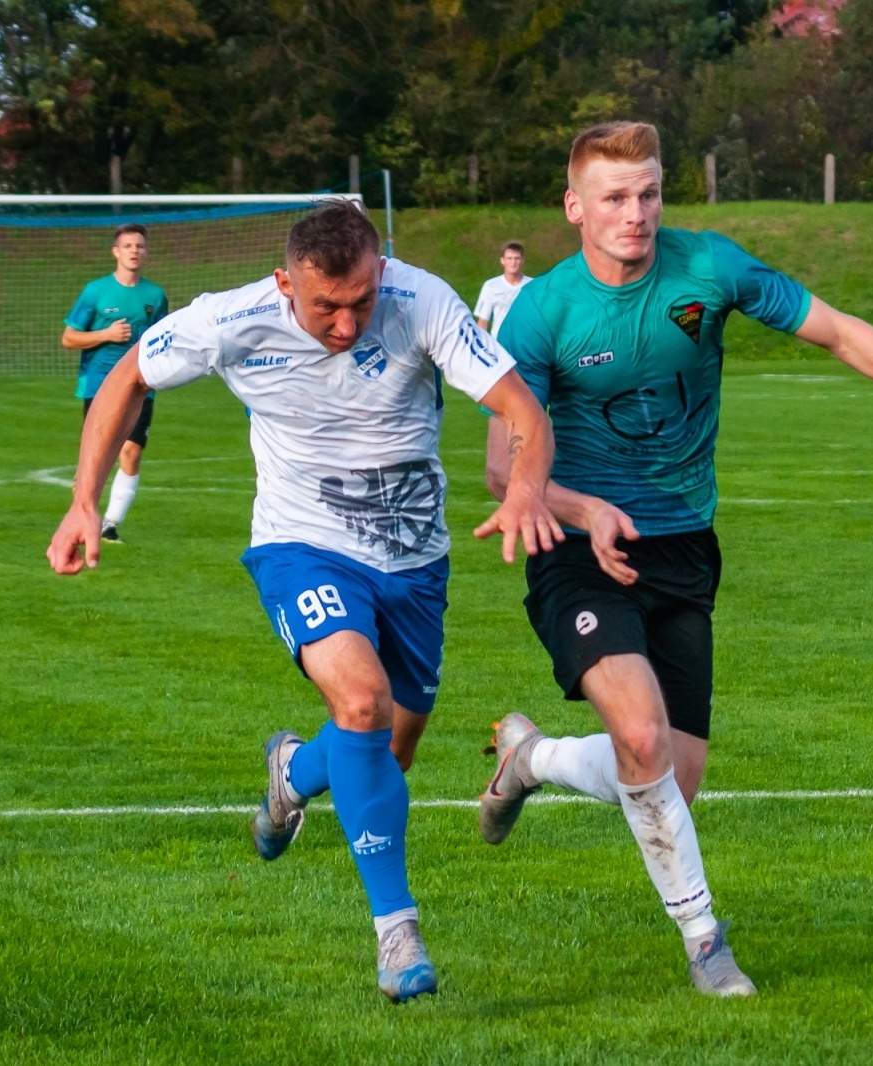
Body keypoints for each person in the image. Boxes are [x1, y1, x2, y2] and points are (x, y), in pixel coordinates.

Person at [476, 121, 873, 997]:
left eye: (649, 193)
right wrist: (580, 507)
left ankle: (530, 760)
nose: (636, 214)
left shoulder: (709, 269)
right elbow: (506, 471)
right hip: (578, 551)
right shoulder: (543, 312)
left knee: (667, 785)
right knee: (641, 733)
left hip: (685, 546)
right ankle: (704, 941)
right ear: (575, 206)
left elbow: (837, 331)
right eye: (614, 197)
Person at [46, 201, 560, 1004]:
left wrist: (527, 486)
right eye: (327, 306)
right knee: (362, 701)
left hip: (416, 558)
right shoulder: (230, 320)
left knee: (391, 747)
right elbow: (127, 376)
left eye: (361, 300)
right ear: (287, 283)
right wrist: (85, 501)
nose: (349, 323)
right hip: (301, 542)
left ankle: (294, 769)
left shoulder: (423, 301)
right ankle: (397, 932)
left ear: (380, 271)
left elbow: (522, 410)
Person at [62, 223, 169, 542]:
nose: (134, 251)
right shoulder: (95, 291)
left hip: (140, 386)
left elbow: (163, 339)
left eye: (140, 246)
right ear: (116, 252)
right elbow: (69, 338)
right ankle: (80, 515)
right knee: (95, 457)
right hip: (99, 387)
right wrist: (106, 335)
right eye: (128, 246)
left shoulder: (155, 295)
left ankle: (110, 524)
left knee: (131, 452)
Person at [473, 241, 533, 338]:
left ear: (522, 260)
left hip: (525, 344)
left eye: (517, 258)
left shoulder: (532, 285)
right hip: (500, 345)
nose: (513, 262)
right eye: (509, 258)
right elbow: (483, 321)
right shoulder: (491, 286)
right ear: (502, 260)